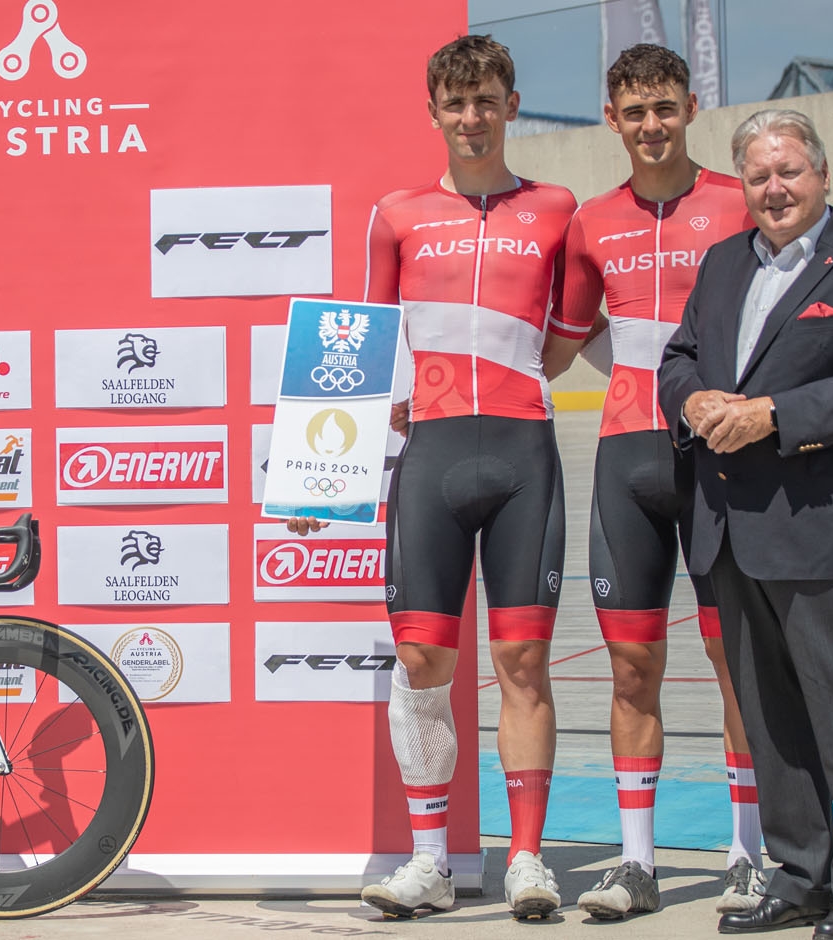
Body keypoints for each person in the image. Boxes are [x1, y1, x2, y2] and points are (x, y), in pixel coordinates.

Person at [289, 33, 589, 920]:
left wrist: (508, 382)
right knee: (421, 658)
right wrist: (316, 474)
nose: (472, 118)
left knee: (522, 659)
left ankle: (527, 858)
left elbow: (568, 338)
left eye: (487, 100)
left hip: (523, 450)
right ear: (434, 113)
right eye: (456, 104)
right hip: (434, 456)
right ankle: (430, 863)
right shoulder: (396, 213)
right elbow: (354, 346)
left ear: (511, 104)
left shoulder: (559, 207)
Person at [658, 108, 833, 939]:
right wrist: (694, 400)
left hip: (825, 524)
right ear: (741, 185)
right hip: (730, 524)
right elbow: (678, 358)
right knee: (771, 714)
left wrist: (775, 413)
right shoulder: (722, 263)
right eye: (757, 176)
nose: (773, 189)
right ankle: (800, 870)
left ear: (821, 175)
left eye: (789, 172)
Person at [556, 44, 763, 920]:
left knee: (737, 664)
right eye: (634, 112)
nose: (651, 126)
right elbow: (561, 337)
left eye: (665, 109)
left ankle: (750, 854)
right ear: (612, 119)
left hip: (724, 463)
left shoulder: (736, 201)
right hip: (629, 460)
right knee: (632, 668)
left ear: (690, 108)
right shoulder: (590, 221)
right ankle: (637, 863)